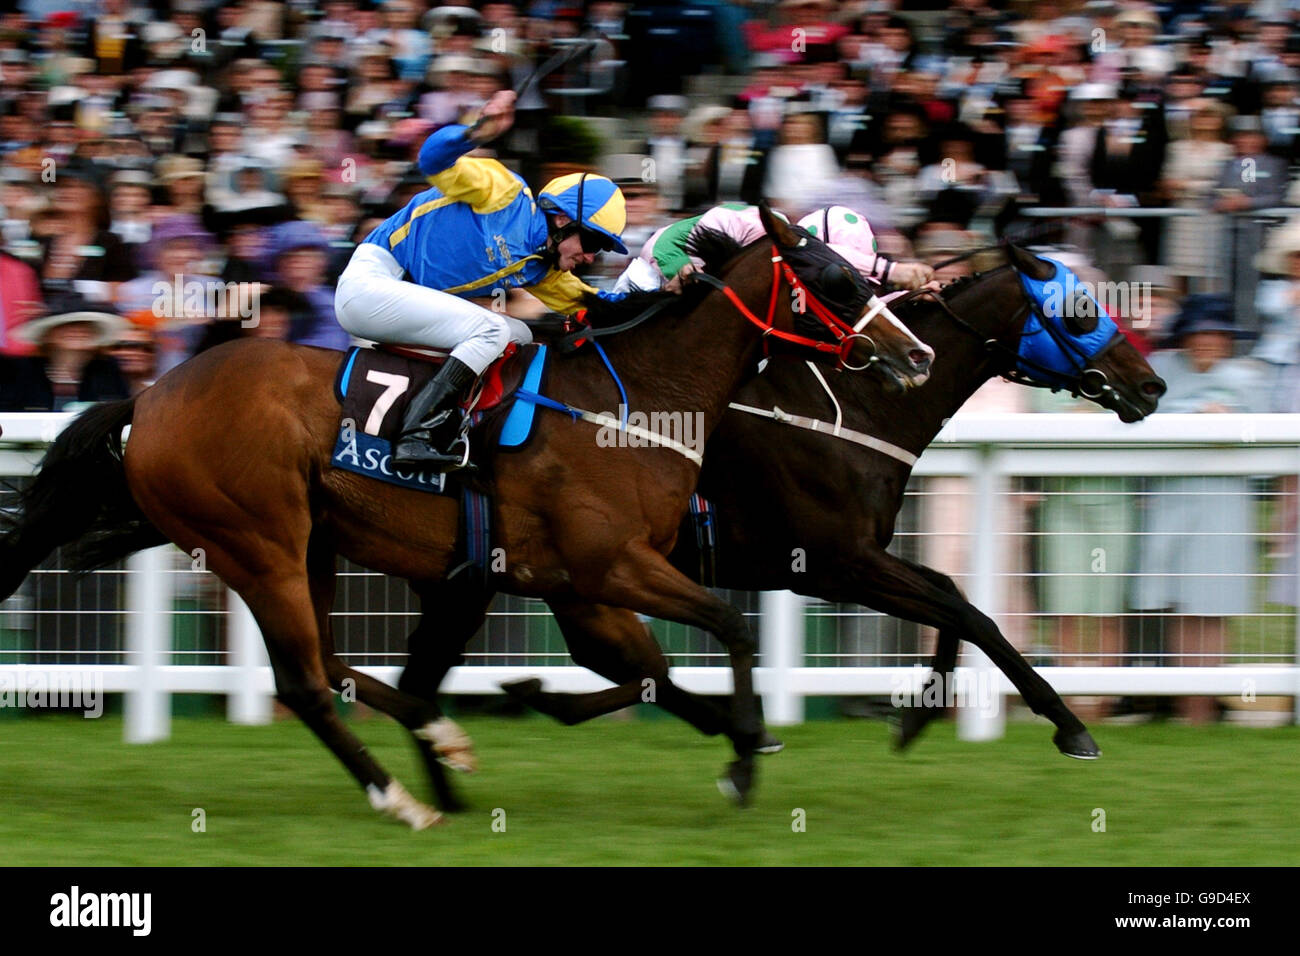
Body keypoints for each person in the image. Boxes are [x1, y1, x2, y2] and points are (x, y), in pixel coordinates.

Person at [334, 89, 629, 471]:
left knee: (520, 336)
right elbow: (433, 159)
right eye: (592, 242)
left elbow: (600, 304)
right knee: (491, 330)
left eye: (600, 251)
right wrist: (475, 133)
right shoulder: (503, 193)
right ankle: (416, 433)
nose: (590, 257)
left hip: (399, 298)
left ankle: (461, 422)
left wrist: (674, 289)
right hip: (369, 283)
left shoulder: (542, 268)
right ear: (561, 220)